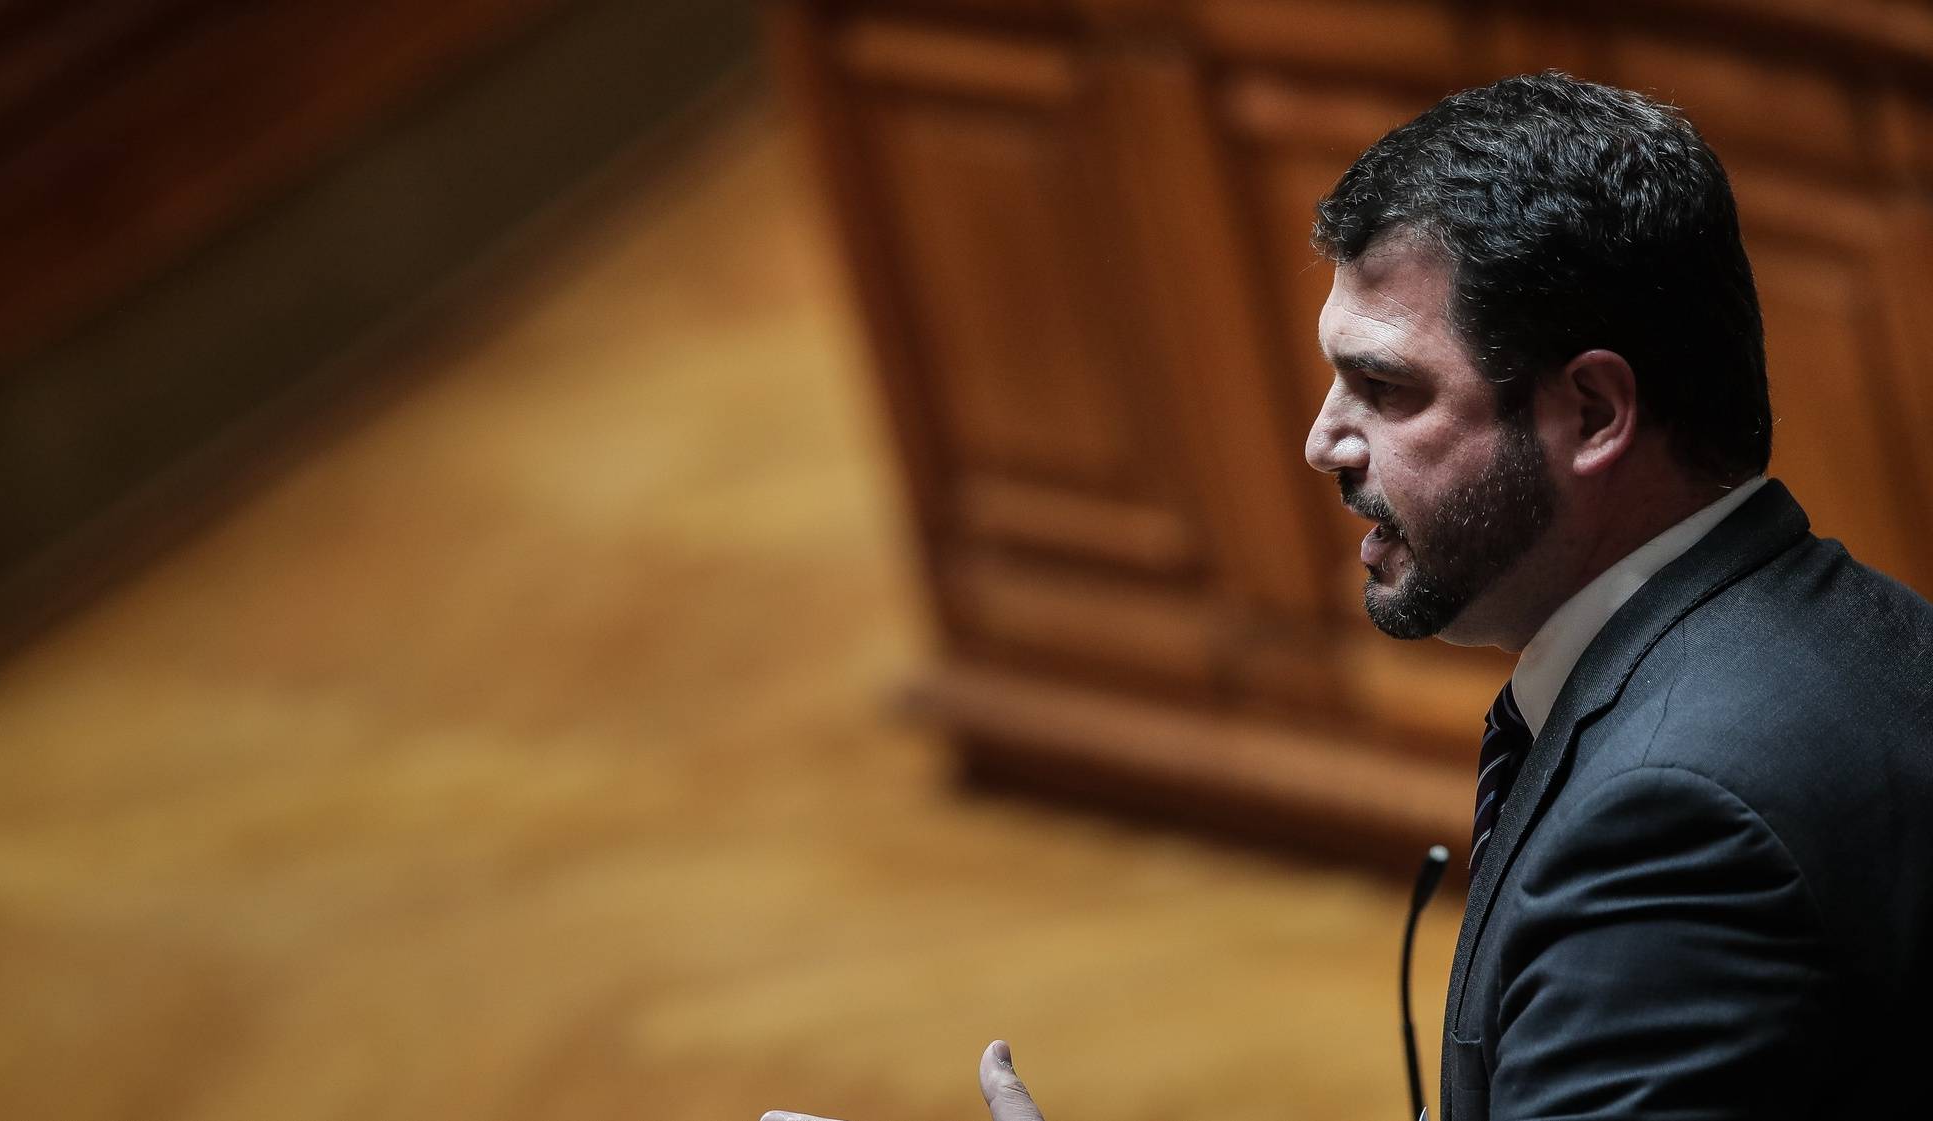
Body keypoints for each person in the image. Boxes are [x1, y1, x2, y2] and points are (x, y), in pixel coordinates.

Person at [763, 71, 1933, 1121]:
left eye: (1384, 386)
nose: (1323, 441)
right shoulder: (1865, 629)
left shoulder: (1670, 822)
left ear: (1590, 413)